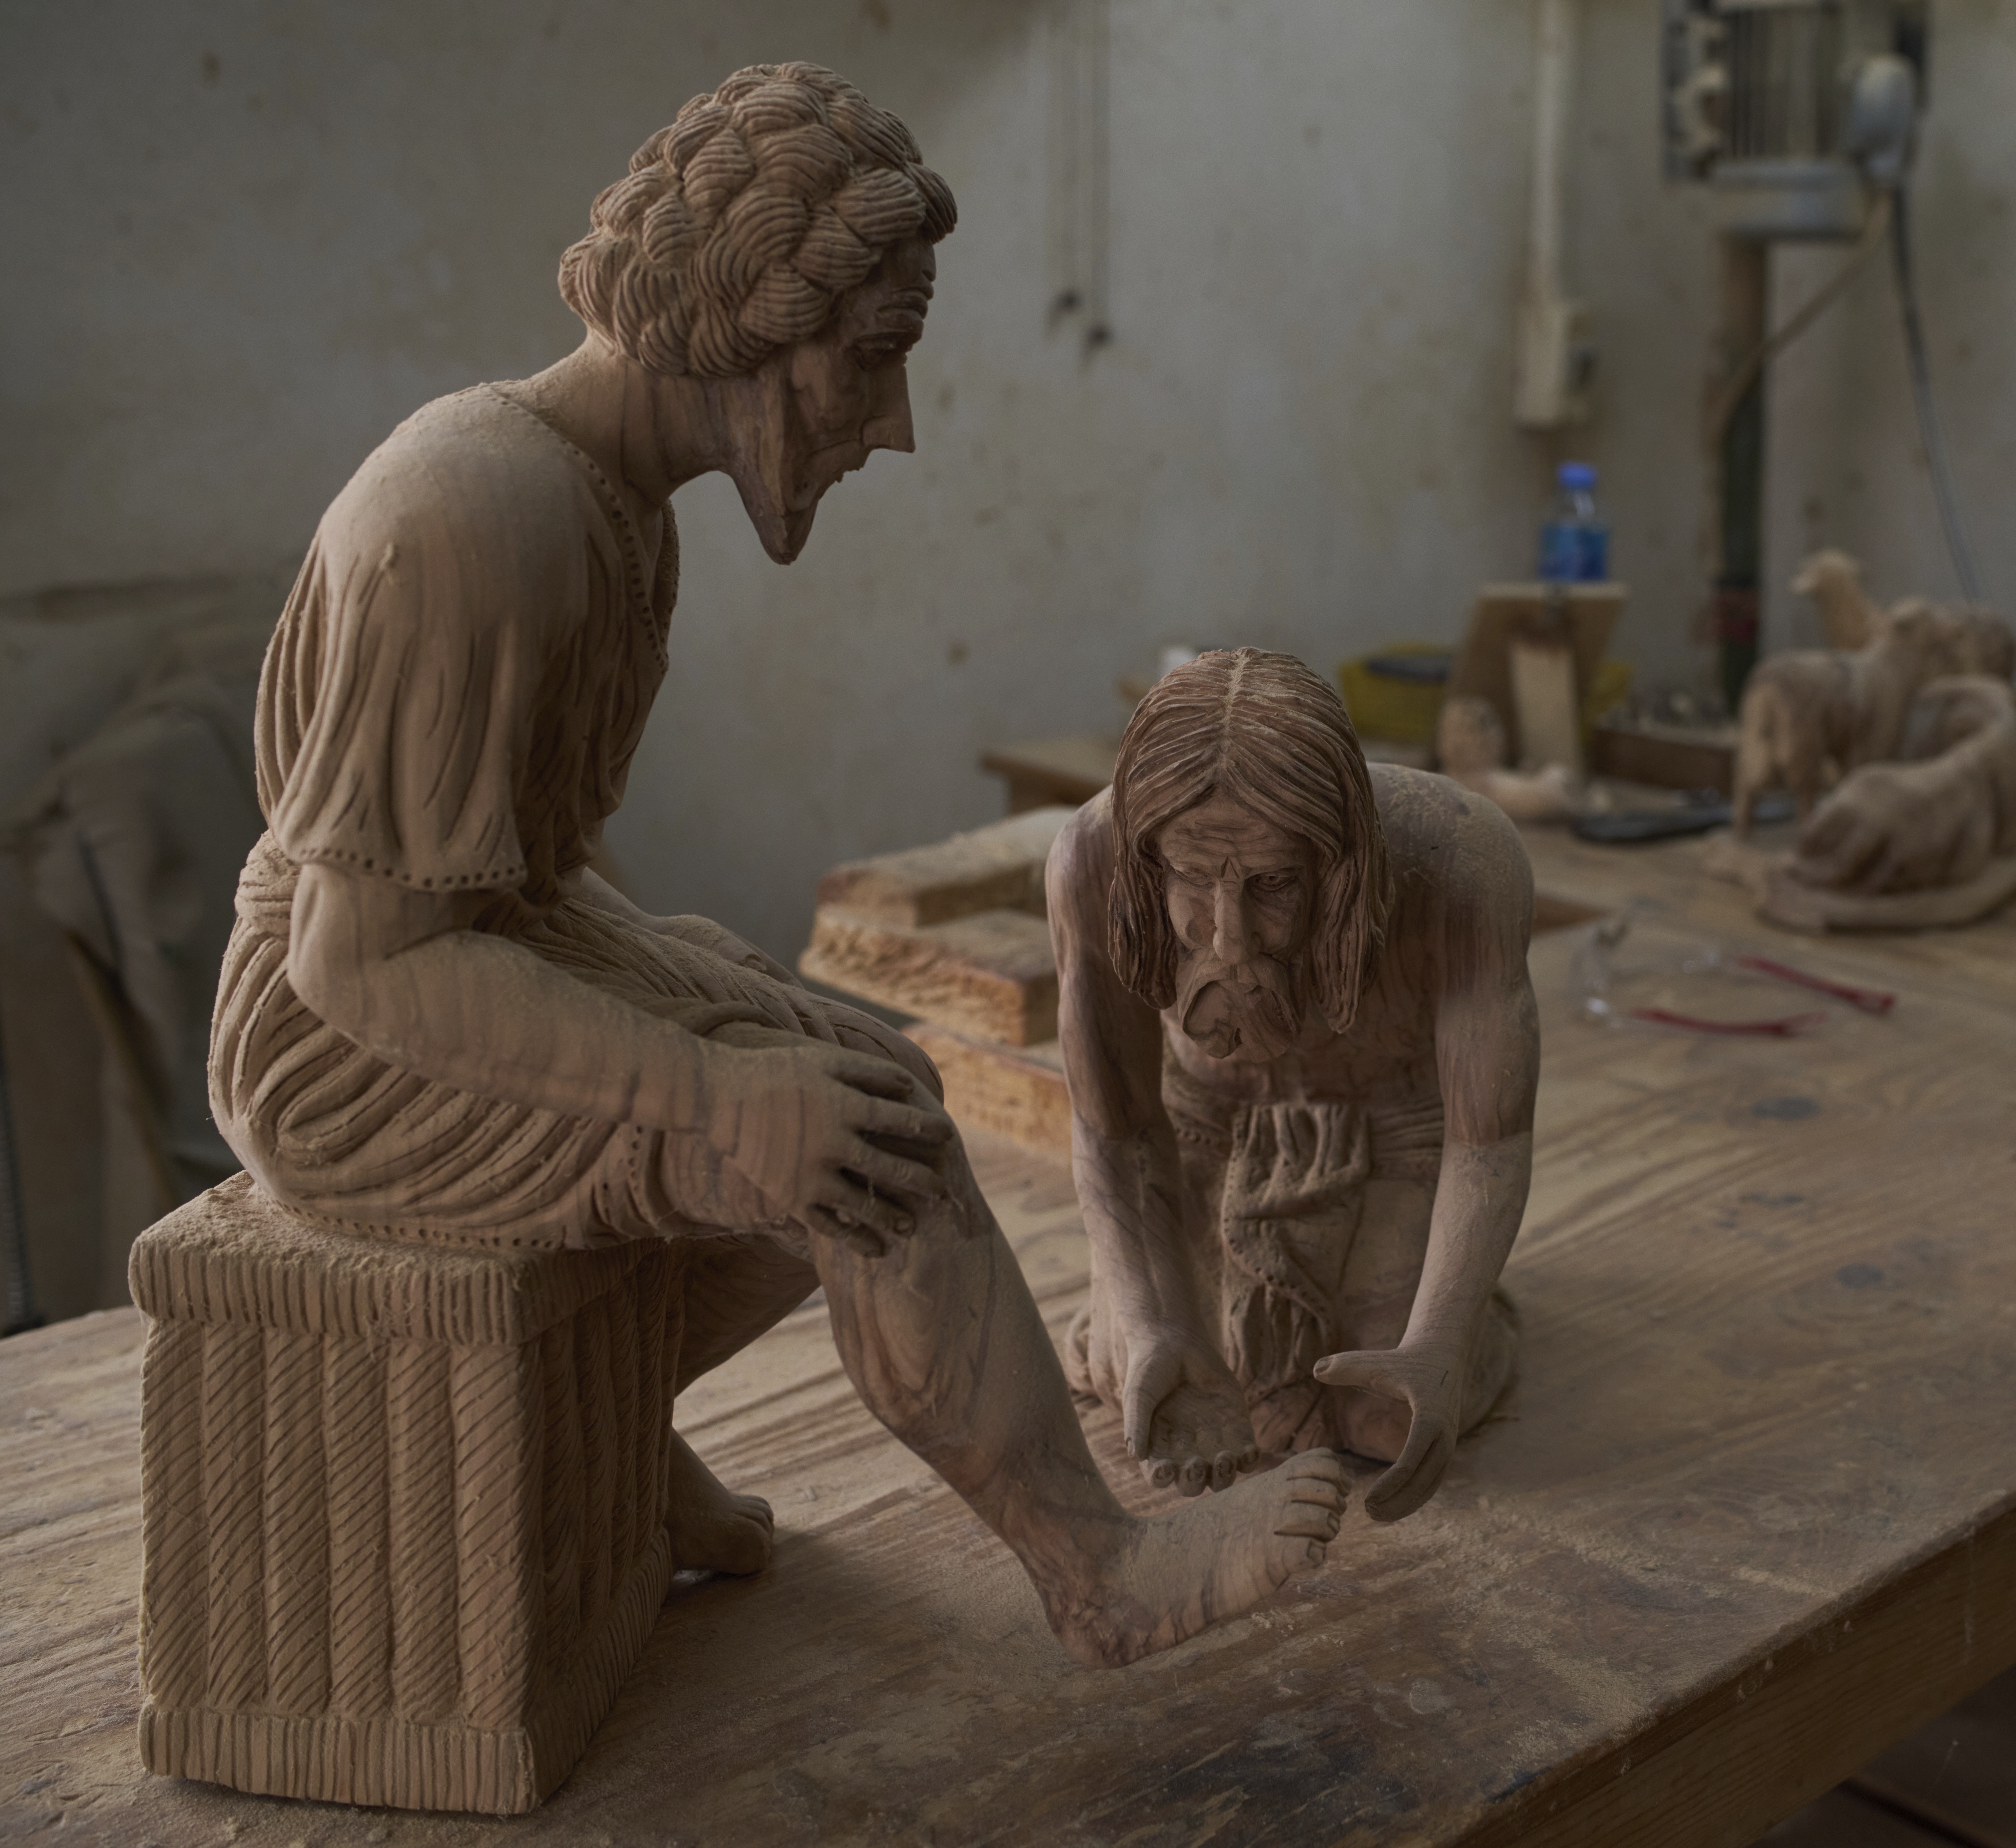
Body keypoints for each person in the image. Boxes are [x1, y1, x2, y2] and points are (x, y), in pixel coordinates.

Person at [211, 63, 1345, 1668]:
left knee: (859, 1060)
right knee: (856, 1149)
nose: (890, 426)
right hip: (337, 1053)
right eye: (867, 359)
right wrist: (704, 1084)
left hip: (441, 965)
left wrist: (708, 1001)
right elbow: (362, 956)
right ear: (741, 316)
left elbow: (523, 871)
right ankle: (1097, 1571)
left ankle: (602, 1431)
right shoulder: (475, 520)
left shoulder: (613, 512)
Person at [1049, 649, 1538, 1523]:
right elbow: (1116, 1129)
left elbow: (1487, 1136)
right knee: (1188, 1373)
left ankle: (1449, 1328)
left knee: (1387, 1414)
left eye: (1275, 885)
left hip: (1395, 1126)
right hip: (1205, 1122)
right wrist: (1146, 1311)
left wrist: (1438, 1338)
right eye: (1193, 880)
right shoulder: (1093, 861)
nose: (1230, 939)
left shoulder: (1461, 861)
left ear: (1340, 862)